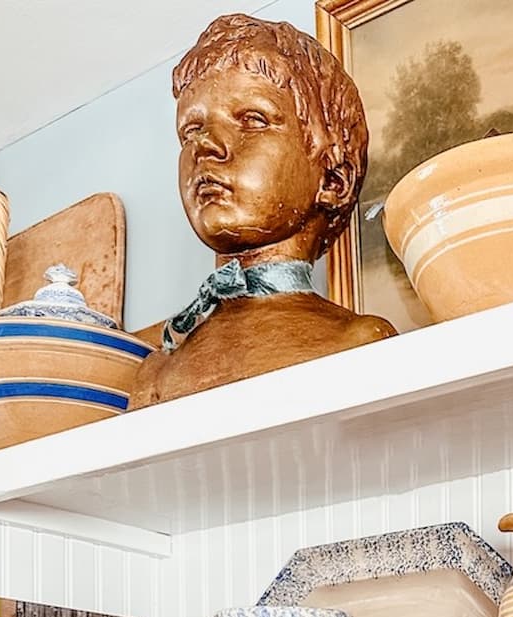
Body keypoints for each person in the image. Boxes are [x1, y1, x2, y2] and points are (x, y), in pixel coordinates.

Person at [131, 12, 394, 409]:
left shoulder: (359, 342)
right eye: (191, 130)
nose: (204, 146)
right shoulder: (156, 373)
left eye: (252, 120)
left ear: (333, 180)